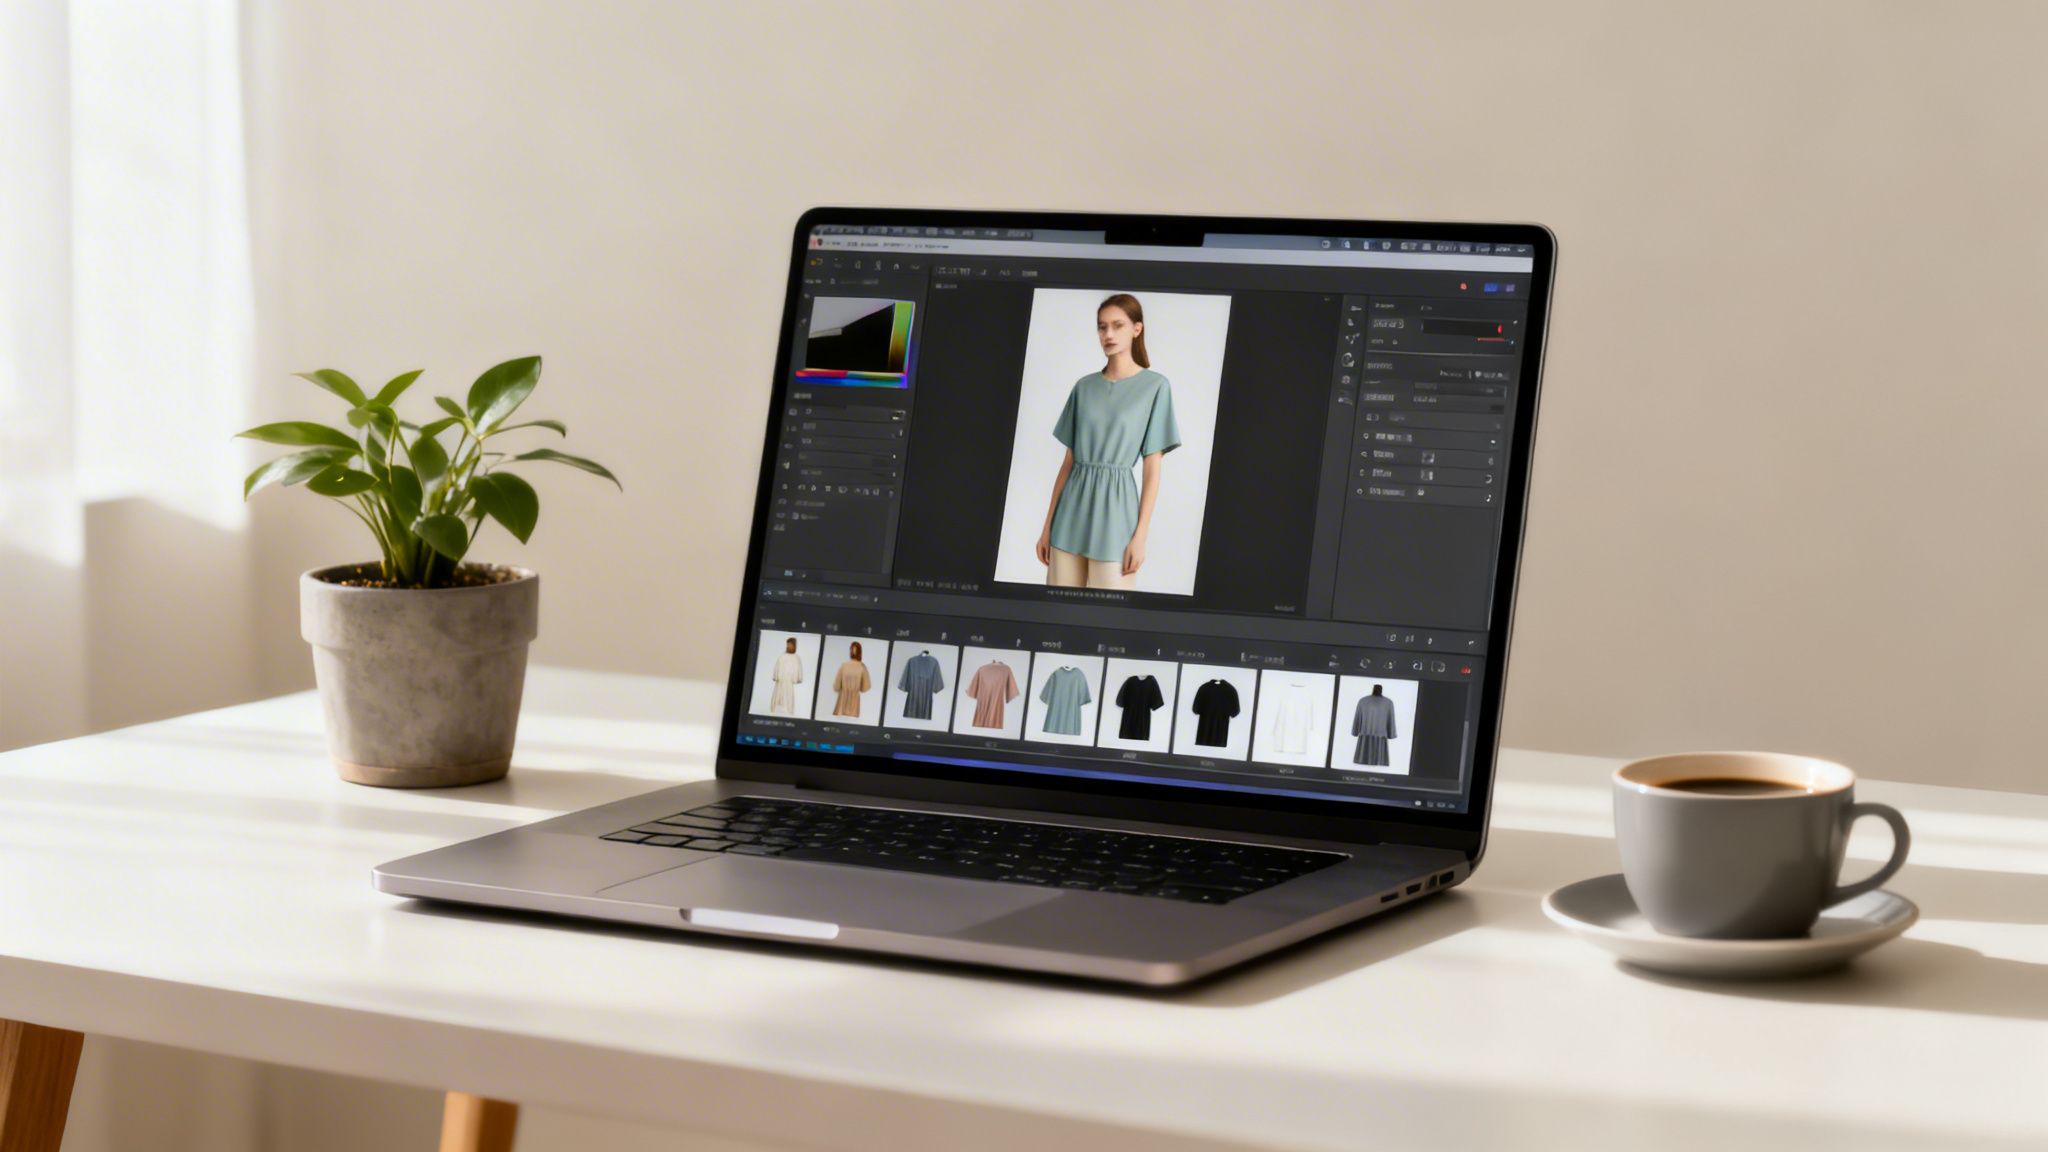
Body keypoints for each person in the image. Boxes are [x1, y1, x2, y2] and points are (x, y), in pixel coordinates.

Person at [1035, 294, 1181, 589]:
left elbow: (1152, 468)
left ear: (1136, 329)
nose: (1108, 334)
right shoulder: (1084, 387)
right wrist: (1047, 526)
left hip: (1117, 518)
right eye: (1102, 327)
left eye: (1118, 325)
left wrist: (1140, 536)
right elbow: (1068, 463)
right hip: (1069, 516)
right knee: (1060, 615)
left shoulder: (1155, 387)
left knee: (1107, 621)